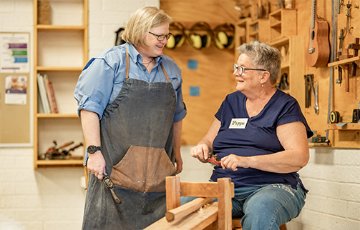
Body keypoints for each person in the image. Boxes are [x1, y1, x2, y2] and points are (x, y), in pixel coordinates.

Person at [74, 6, 186, 229]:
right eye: (159, 35)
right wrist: (94, 152)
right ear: (140, 31)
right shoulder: (109, 63)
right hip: (113, 176)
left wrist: (177, 153)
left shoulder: (171, 69)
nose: (164, 40)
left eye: (167, 35)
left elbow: (177, 116)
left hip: (157, 179)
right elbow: (89, 110)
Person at [191, 41, 313, 230]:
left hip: (272, 187)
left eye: (242, 69)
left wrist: (246, 160)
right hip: (225, 188)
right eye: (236, 67)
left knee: (260, 212)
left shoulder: (285, 106)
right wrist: (203, 147)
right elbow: (208, 140)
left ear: (264, 76)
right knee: (186, 208)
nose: (235, 73)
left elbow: (299, 157)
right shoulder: (231, 102)